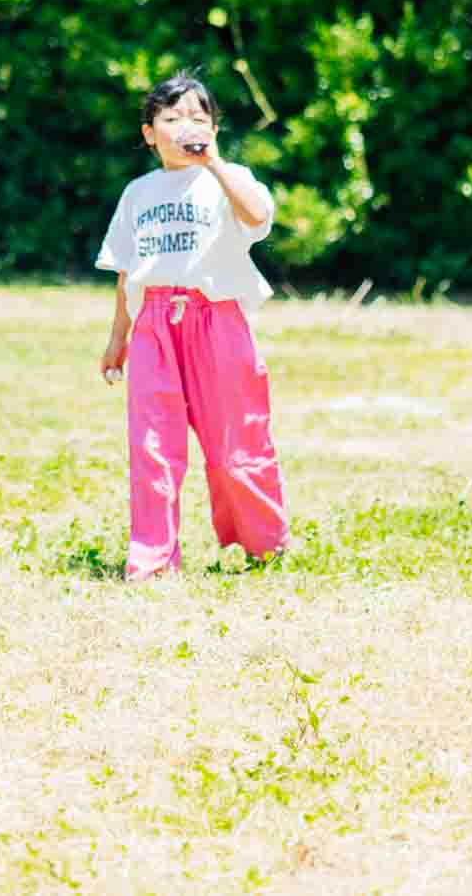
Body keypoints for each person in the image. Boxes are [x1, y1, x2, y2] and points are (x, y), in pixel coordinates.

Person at [97, 74, 289, 581]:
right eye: (172, 118)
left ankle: (264, 544)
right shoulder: (138, 193)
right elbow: (126, 268)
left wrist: (216, 164)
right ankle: (154, 561)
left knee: (236, 444)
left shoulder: (226, 180)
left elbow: (258, 215)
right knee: (153, 446)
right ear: (149, 133)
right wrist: (119, 337)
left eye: (199, 118)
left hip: (217, 319)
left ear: (215, 129)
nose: (187, 127)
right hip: (155, 323)